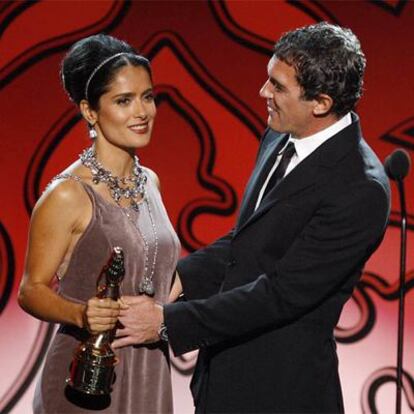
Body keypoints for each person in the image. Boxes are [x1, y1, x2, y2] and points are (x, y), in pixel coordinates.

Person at [112, 23, 390, 413]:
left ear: (321, 103)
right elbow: (248, 239)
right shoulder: (280, 134)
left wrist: (166, 322)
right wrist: (179, 279)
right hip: (221, 377)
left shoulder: (360, 189)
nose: (263, 93)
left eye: (277, 86)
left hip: (280, 392)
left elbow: (282, 294)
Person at [18, 34, 180, 413]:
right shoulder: (68, 194)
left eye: (148, 96)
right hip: (86, 379)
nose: (142, 112)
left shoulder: (150, 181)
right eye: (123, 101)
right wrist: (80, 313)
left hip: (150, 370)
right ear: (90, 112)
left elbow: (158, 276)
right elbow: (31, 289)